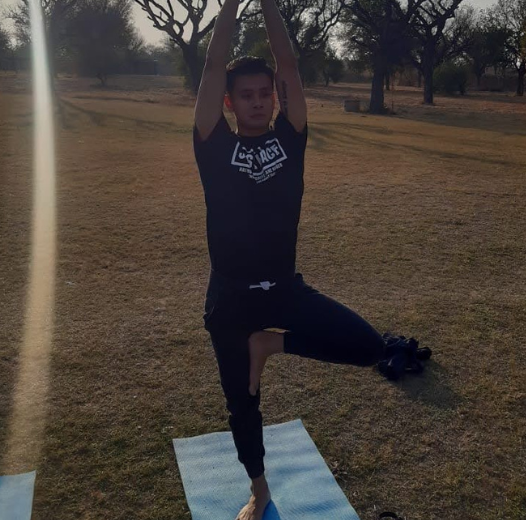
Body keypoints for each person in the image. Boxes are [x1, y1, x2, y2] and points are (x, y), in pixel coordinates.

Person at [192, 0, 388, 518]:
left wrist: (269, 5)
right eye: (246, 96)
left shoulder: (290, 138)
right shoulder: (212, 144)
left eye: (265, 95)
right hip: (230, 298)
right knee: (243, 403)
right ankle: (259, 489)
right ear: (230, 103)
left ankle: (271, 344)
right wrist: (232, 6)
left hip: (282, 288)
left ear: (274, 100)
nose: (258, 102)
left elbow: (291, 68)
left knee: (370, 346)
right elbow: (213, 67)